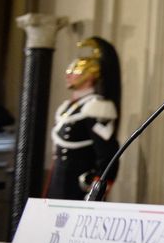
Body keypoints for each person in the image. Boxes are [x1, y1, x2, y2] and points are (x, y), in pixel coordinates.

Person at [47, 36, 120, 200]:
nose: (69, 75)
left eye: (76, 71)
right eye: (69, 71)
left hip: (79, 180)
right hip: (59, 176)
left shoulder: (97, 106)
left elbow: (107, 152)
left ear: (91, 75)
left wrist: (99, 184)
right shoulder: (69, 106)